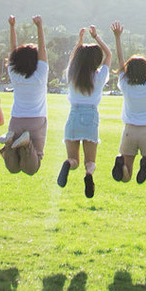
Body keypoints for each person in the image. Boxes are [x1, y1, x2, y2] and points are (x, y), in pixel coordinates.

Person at [110, 21, 146, 185]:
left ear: (128, 70)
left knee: (126, 176)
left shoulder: (125, 85)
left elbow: (120, 62)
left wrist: (117, 38)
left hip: (129, 131)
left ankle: (122, 167)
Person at [57, 26, 112, 198]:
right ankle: (88, 175)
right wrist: (96, 37)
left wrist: (79, 42)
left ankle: (67, 163)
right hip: (91, 117)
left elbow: (73, 58)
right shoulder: (99, 77)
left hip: (73, 115)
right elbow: (109, 55)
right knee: (90, 162)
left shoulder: (72, 74)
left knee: (74, 160)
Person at [0, 15, 49, 175]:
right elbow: (43, 49)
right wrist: (39, 26)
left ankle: (9, 142)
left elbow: (12, 50)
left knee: (12, 168)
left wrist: (12, 27)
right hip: (36, 120)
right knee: (32, 168)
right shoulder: (40, 75)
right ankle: (26, 144)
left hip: (16, 120)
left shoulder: (14, 74)